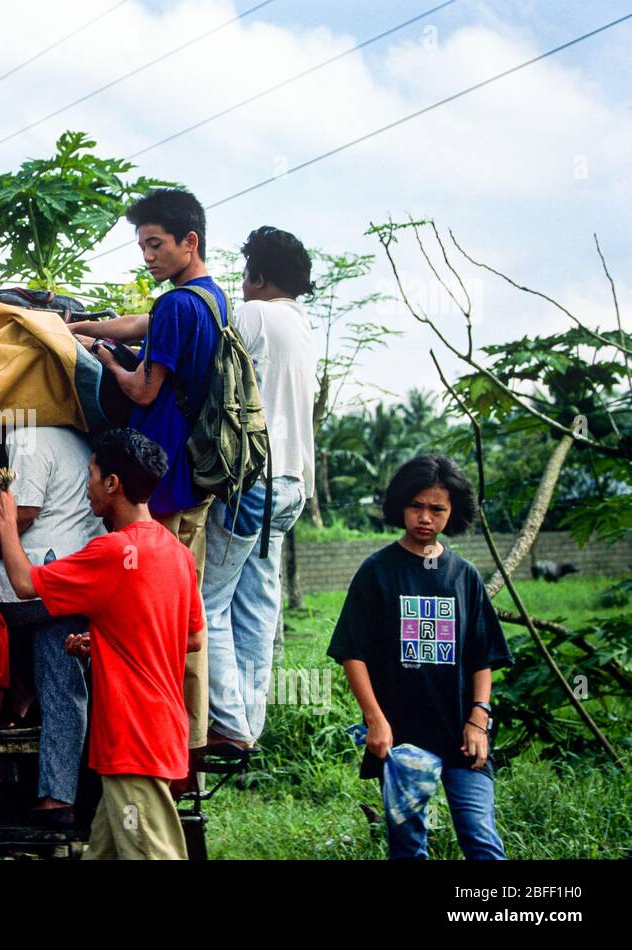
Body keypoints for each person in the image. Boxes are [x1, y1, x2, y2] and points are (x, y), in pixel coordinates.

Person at [0, 428, 204, 859]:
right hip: (157, 731)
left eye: (91, 475)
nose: (86, 485)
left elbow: (25, 583)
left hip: (133, 740)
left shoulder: (110, 552)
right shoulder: (175, 551)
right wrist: (106, 640)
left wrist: (6, 523)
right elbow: (192, 637)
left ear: (112, 484)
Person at [69, 188, 226, 765]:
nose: (148, 256)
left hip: (158, 482)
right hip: (191, 477)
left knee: (155, 611)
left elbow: (144, 388)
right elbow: (143, 321)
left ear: (190, 241)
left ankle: (163, 734)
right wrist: (82, 324)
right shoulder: (207, 299)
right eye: (142, 245)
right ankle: (190, 736)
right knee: (187, 610)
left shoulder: (177, 307)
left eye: (156, 245)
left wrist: (107, 358)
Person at [327, 455, 513, 860]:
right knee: (408, 846)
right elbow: (351, 654)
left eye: (437, 509)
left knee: (480, 839)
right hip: (401, 740)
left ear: (453, 512)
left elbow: (482, 656)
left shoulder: (464, 576)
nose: (424, 517)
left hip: (463, 738)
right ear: (400, 506)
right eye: (416, 506)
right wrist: (375, 721)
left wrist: (478, 721)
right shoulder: (377, 572)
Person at [0, 425, 104, 826]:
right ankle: (59, 798)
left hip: (42, 577)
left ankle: (10, 690)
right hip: (76, 581)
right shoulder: (72, 438)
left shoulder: (27, 437)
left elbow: (22, 514)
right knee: (64, 685)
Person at [203, 226, 317, 750]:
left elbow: (197, 354)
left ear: (259, 277)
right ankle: (251, 720)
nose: (242, 286)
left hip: (250, 481)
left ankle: (230, 724)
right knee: (258, 605)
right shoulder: (302, 326)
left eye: (246, 276)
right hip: (291, 484)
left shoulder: (253, 315)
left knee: (209, 602)